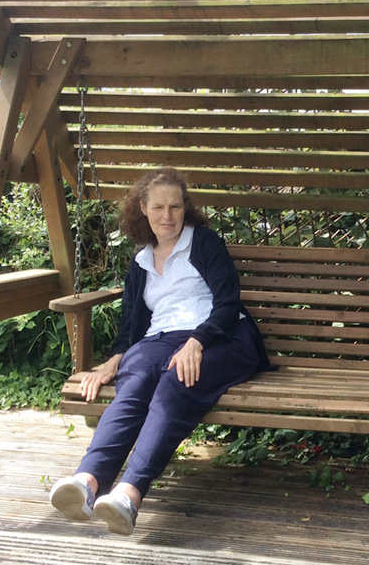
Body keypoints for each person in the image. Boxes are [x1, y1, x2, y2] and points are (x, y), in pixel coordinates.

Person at [49, 167, 270, 535]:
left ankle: (128, 495)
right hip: (162, 340)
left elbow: (229, 303)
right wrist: (114, 360)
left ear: (186, 208)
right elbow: (132, 324)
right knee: (134, 379)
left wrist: (196, 342)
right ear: (143, 208)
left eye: (175, 207)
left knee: (176, 381)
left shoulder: (203, 243)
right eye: (158, 208)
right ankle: (86, 482)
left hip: (222, 337)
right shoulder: (140, 261)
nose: (167, 216)